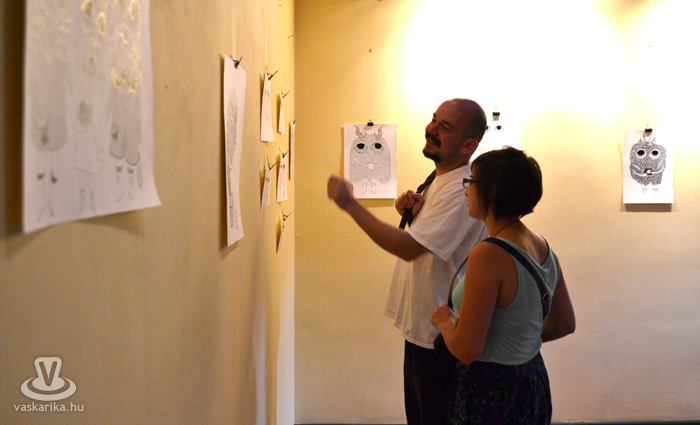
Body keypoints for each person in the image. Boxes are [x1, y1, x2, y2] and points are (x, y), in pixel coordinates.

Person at [327, 99, 490, 425]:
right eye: (434, 119)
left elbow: (410, 249)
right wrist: (416, 212)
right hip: (425, 328)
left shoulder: (460, 189)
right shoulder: (441, 178)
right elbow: (435, 243)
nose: (431, 129)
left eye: (445, 127)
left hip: (440, 336)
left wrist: (351, 205)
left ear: (468, 145)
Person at [429, 147, 576, 424]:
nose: (466, 192)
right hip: (531, 381)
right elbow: (564, 324)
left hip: (490, 390)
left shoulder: (489, 254)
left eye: (471, 182)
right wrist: (517, 341)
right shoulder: (541, 245)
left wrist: (445, 322)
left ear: (492, 190)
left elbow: (466, 350)